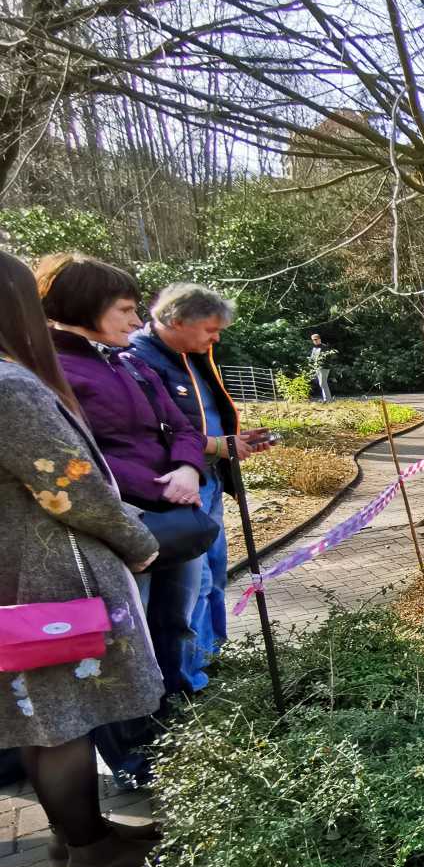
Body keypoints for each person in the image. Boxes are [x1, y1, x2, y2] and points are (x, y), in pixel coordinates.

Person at [0, 250, 163, 867]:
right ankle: (91, 850)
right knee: (60, 719)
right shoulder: (12, 388)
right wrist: (137, 541)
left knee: (44, 717)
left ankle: (76, 834)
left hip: (19, 573)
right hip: (45, 577)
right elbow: (72, 486)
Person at [36, 254, 212, 786]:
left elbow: (181, 423)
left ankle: (177, 723)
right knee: (123, 643)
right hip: (121, 522)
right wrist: (147, 488)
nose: (138, 323)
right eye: (127, 310)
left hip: (172, 513)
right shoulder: (51, 371)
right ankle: (133, 756)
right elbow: (72, 460)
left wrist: (186, 466)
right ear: (86, 306)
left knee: (171, 622)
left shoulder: (127, 361)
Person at [130, 285, 270, 690]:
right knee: (195, 584)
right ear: (176, 321)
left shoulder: (192, 357)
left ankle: (210, 656)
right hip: (178, 489)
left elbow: (204, 420)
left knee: (214, 574)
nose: (216, 338)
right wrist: (217, 446)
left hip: (209, 478)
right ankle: (187, 680)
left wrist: (233, 442)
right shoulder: (139, 361)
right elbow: (166, 431)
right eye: (210, 329)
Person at [309, 332, 332, 402]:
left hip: (324, 367)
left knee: (323, 383)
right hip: (317, 368)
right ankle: (326, 399)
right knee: (321, 383)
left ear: (319, 339)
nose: (315, 341)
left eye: (316, 339)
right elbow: (312, 358)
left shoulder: (324, 347)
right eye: (313, 340)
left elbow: (328, 358)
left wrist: (321, 363)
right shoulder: (314, 348)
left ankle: (327, 400)